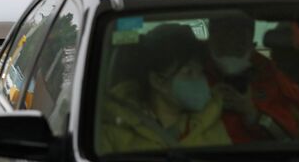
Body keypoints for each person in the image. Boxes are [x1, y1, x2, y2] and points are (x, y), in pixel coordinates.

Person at [98, 24, 231, 153]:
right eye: (188, 72)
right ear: (158, 81)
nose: (200, 80)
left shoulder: (208, 123)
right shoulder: (113, 129)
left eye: (200, 72)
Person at [206, 15, 299, 143]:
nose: (231, 41)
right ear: (211, 36)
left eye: (238, 36)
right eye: (224, 34)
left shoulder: (269, 76)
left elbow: (290, 139)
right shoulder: (192, 71)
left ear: (251, 42)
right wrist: (207, 104)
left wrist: (252, 113)